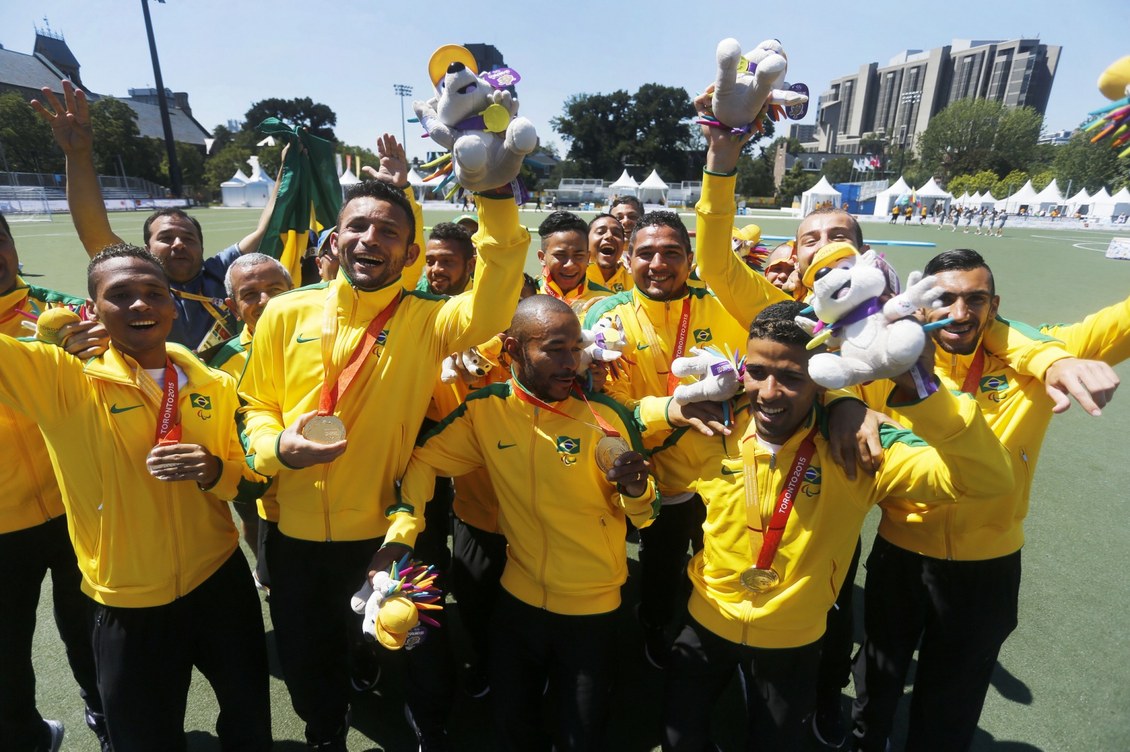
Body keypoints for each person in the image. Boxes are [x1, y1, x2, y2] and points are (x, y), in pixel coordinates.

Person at [238, 154, 526, 749]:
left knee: (417, 641)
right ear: (336, 238)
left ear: (411, 253)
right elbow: (256, 405)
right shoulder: (285, 312)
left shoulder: (430, 320)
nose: (371, 238)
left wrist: (496, 196)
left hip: (386, 530)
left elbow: (497, 298)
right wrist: (276, 449)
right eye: (358, 227)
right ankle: (324, 731)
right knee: (306, 649)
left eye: (389, 231)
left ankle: (428, 728)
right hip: (290, 529)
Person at [653, 302, 1014, 752]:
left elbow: (989, 480)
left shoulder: (859, 446)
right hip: (705, 622)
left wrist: (924, 391)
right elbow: (647, 468)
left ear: (821, 379)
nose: (768, 392)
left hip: (795, 638)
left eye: (791, 377)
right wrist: (669, 411)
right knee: (680, 737)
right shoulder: (714, 430)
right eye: (757, 371)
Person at [849, 249, 1123, 752]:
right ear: (920, 305)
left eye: (975, 299)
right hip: (901, 553)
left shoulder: (1044, 352)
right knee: (878, 673)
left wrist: (1049, 355)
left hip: (989, 563)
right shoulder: (889, 359)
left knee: (955, 694)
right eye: (944, 298)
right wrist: (856, 411)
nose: (959, 313)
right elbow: (827, 384)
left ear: (994, 306)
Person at [0, 243, 271, 751]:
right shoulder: (62, 379)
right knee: (144, 741)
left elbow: (246, 479)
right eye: (119, 296)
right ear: (94, 312)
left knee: (249, 721)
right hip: (128, 601)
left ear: (173, 306)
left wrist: (214, 470)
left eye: (153, 293)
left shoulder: (210, 382)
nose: (140, 305)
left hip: (219, 581)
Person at [400, 294, 658, 750]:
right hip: (517, 602)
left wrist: (637, 490)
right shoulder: (485, 411)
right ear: (514, 350)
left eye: (576, 348)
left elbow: (645, 514)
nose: (570, 362)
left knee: (580, 734)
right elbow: (422, 460)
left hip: (591, 609)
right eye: (554, 349)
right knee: (511, 723)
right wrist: (402, 532)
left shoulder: (607, 417)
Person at [32, 81, 282, 352]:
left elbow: (267, 227)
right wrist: (77, 154)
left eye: (188, 237)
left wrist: (286, 170)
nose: (178, 243)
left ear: (201, 246)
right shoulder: (136, 282)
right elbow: (93, 230)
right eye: (166, 237)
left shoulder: (220, 272)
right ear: (146, 250)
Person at [0, 213, 111, 752]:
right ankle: (23, 736)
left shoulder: (58, 309)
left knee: (88, 621)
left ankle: (106, 711)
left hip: (75, 504)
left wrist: (94, 352)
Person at [206, 253, 294, 592]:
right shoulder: (222, 364)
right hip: (271, 506)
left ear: (293, 289)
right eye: (250, 294)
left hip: (337, 499)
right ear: (232, 304)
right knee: (286, 595)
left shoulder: (326, 341)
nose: (266, 300)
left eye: (276, 288)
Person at [536, 211, 611, 306]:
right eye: (560, 255)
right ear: (542, 257)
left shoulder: (607, 302)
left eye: (578, 256)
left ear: (588, 258)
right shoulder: (526, 295)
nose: (570, 264)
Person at [417, 222, 476, 296]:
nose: (436, 269)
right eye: (430, 261)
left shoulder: (485, 302)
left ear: (470, 266)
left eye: (447, 261)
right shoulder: (410, 302)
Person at [585, 213, 632, 293]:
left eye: (616, 234)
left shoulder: (634, 284)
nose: (609, 236)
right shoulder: (575, 278)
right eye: (600, 232)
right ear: (586, 241)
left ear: (623, 244)